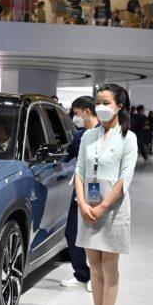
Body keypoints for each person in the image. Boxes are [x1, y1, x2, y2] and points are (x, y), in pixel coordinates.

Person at [74, 84, 138, 305]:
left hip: (113, 209)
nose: (99, 107)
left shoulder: (128, 138)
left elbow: (125, 179)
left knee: (109, 267)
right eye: (97, 101)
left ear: (119, 107)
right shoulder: (88, 135)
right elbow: (79, 171)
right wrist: (82, 203)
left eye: (105, 102)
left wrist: (102, 206)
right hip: (88, 207)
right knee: (94, 267)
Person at [61, 96, 100, 292]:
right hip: (78, 186)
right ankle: (81, 274)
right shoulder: (80, 135)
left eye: (76, 114)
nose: (75, 118)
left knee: (93, 233)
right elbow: (68, 155)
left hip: (95, 188)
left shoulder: (105, 133)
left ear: (86, 111)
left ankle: (96, 276)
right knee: (72, 232)